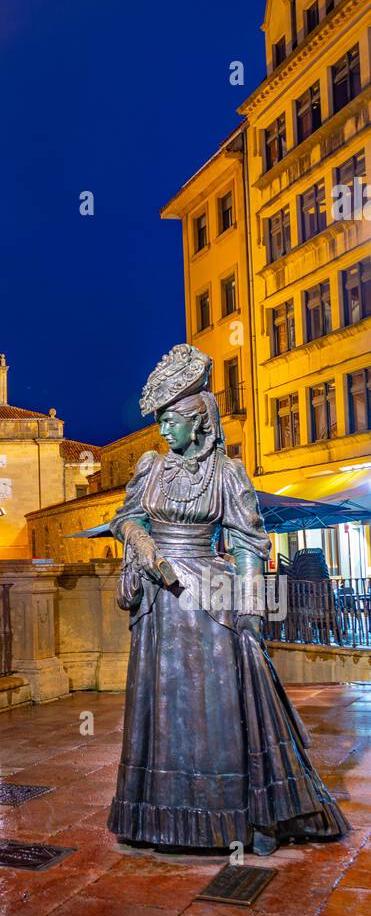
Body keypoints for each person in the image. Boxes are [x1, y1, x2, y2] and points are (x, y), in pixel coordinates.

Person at [108, 343, 348, 855]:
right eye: (161, 420)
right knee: (163, 705)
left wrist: (251, 610)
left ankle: (228, 815)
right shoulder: (150, 467)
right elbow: (124, 518)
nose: (164, 430)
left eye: (172, 420)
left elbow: (247, 543)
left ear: (197, 420)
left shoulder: (227, 473)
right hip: (159, 599)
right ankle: (159, 816)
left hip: (210, 596)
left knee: (212, 707)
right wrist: (143, 542)